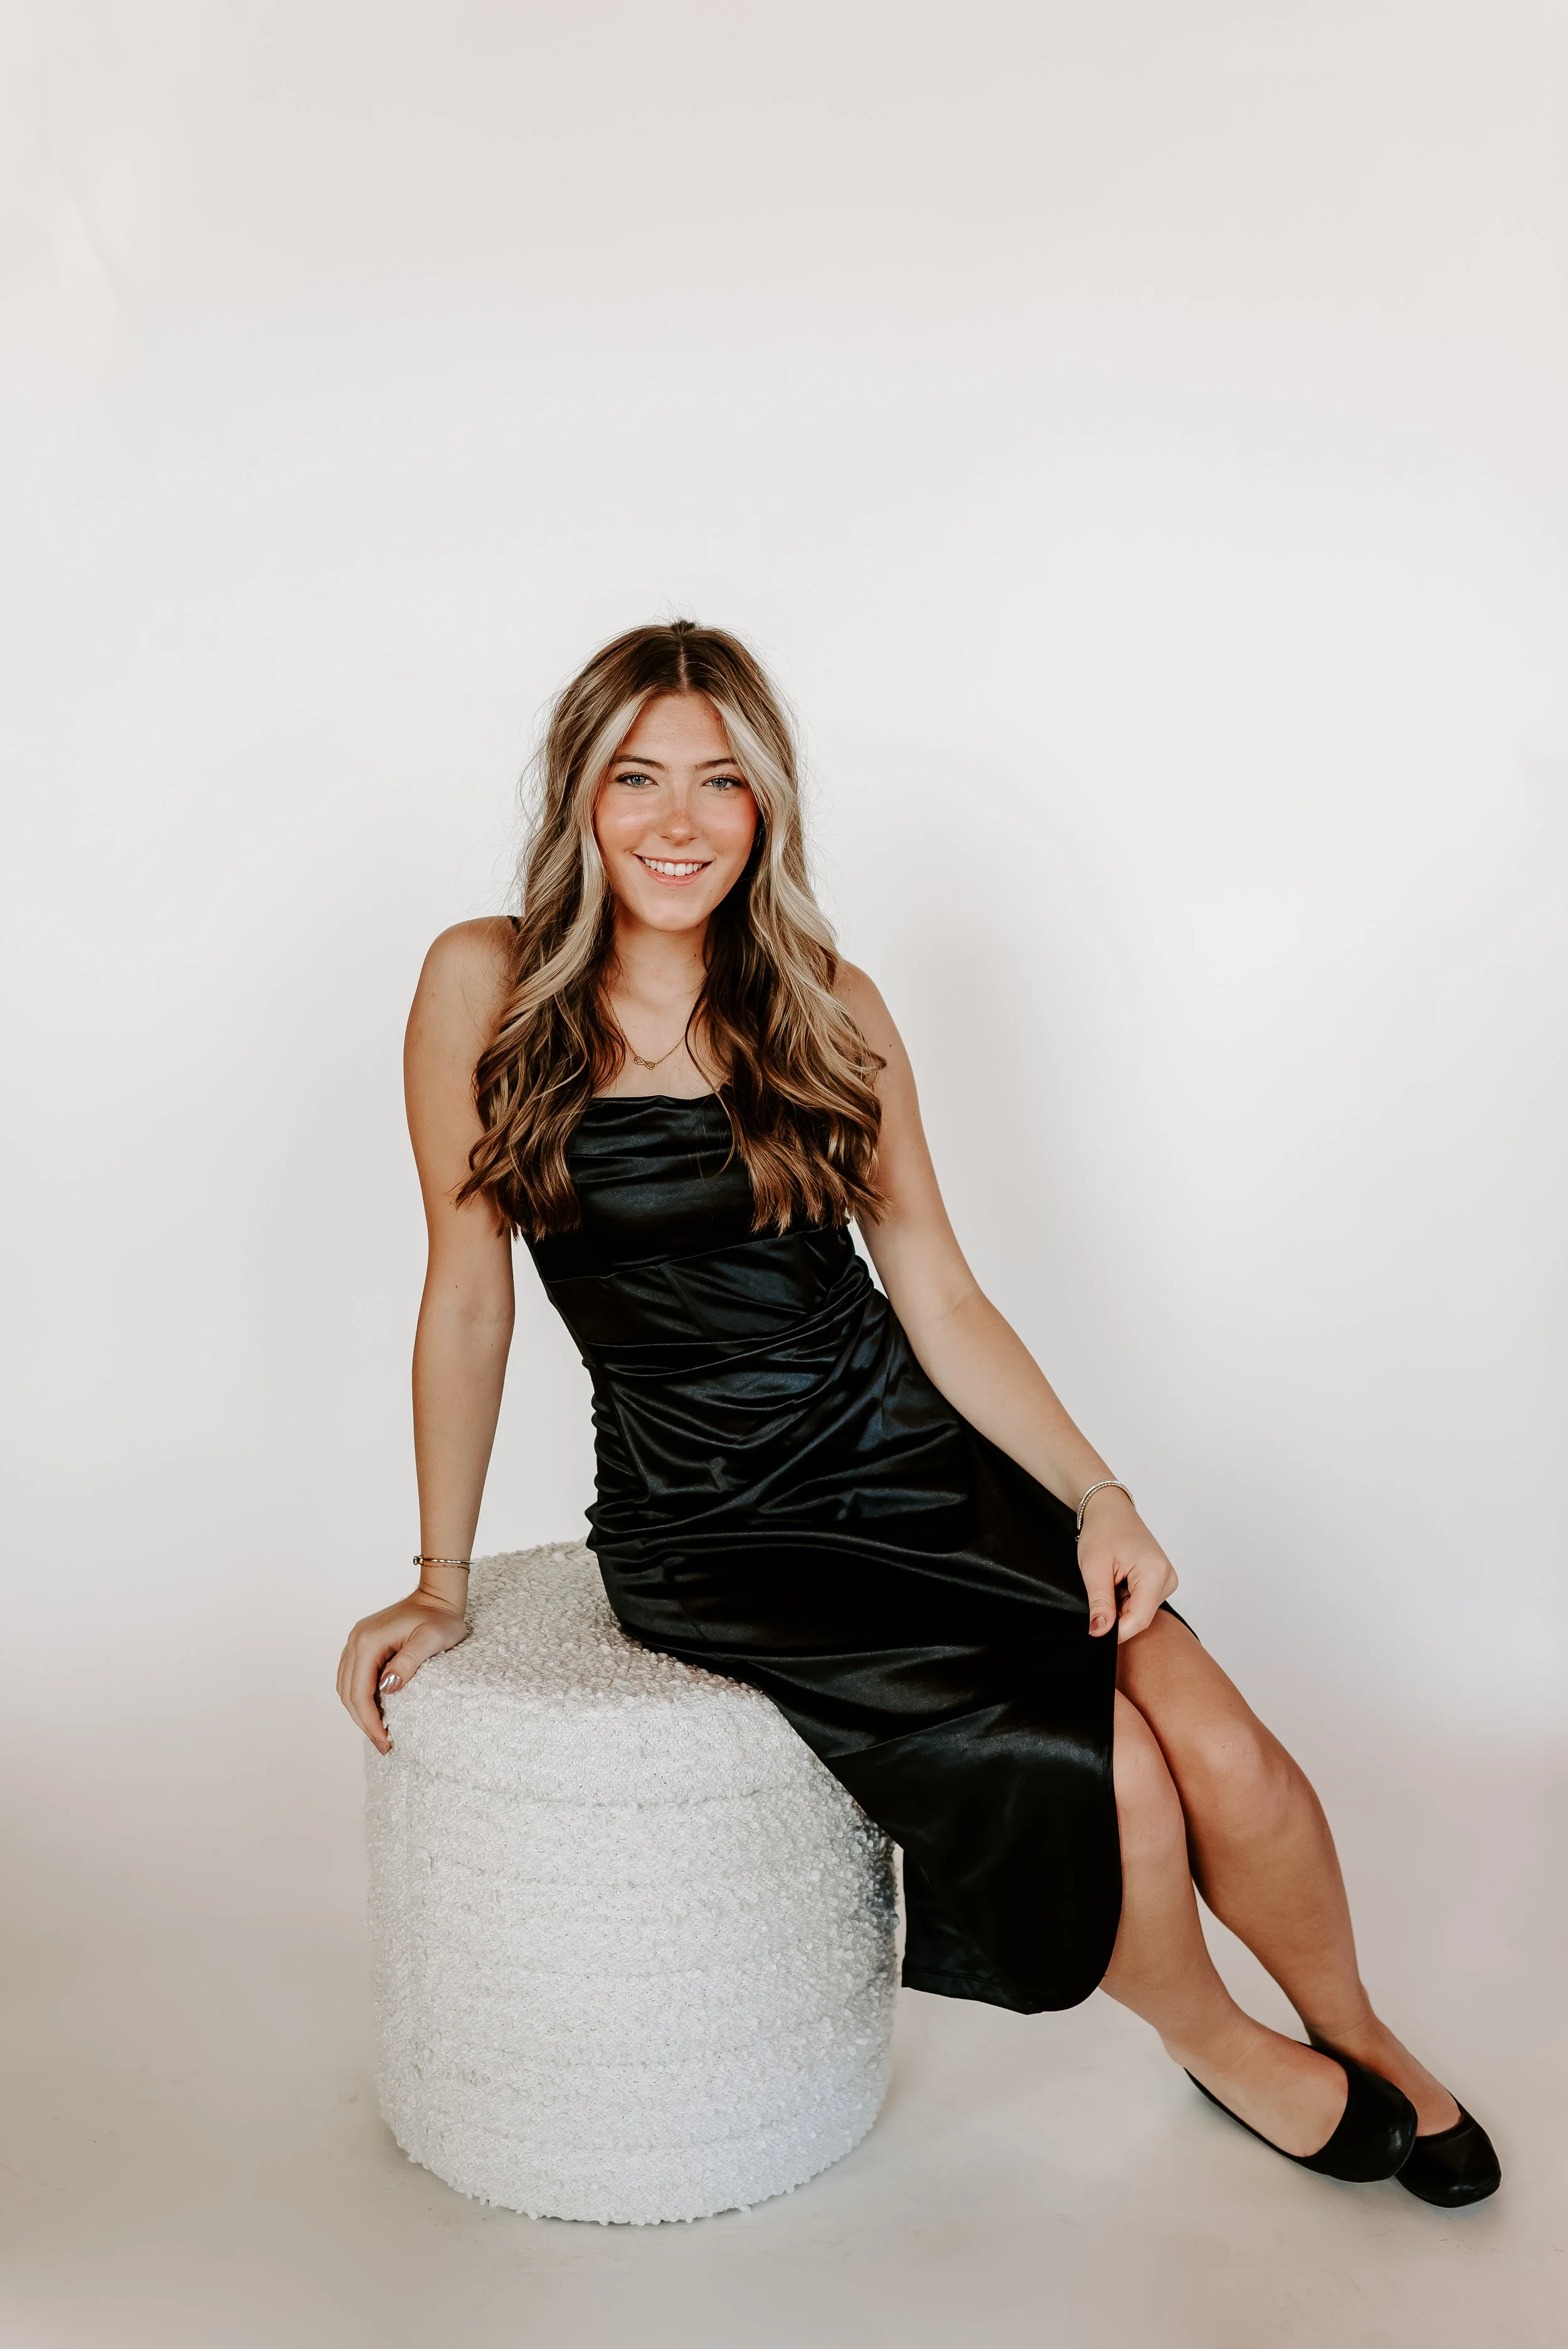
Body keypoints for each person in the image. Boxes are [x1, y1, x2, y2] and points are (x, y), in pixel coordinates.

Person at [337, 620, 1498, 2207]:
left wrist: (1098, 1494)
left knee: (1224, 1750)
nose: (679, 823)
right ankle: (1218, 2043)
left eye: (722, 784)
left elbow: (937, 1293)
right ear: (578, 799)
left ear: (768, 811)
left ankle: (1359, 2032)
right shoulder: (478, 981)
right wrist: (439, 1581)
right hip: (716, 1519)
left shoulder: (826, 999)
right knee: (1115, 1775)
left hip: (906, 1452)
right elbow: (465, 1294)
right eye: (638, 779)